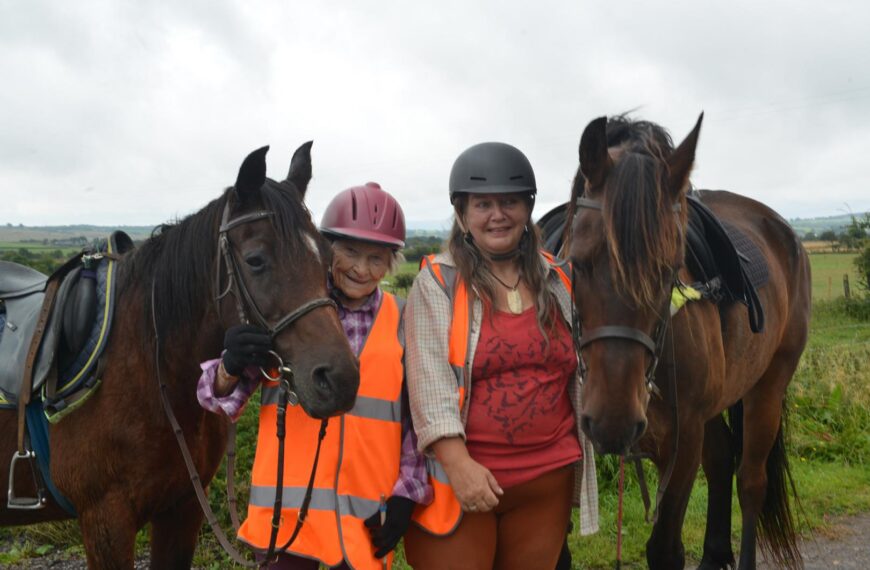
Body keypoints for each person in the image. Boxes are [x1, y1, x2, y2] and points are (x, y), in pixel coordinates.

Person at [197, 182, 431, 570]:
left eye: (377, 258)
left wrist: (406, 494)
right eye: (350, 252)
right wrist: (230, 365)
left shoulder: (404, 319)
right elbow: (219, 399)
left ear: (391, 263)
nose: (360, 268)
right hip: (284, 517)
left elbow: (413, 419)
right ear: (325, 250)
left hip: (364, 518)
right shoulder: (288, 312)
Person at [402, 142, 599, 569]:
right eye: (483, 204)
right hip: (464, 480)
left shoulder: (558, 279)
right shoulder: (438, 282)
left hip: (548, 481)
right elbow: (428, 382)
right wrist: (459, 466)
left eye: (509, 202)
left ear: (527, 208)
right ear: (462, 214)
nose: (497, 215)